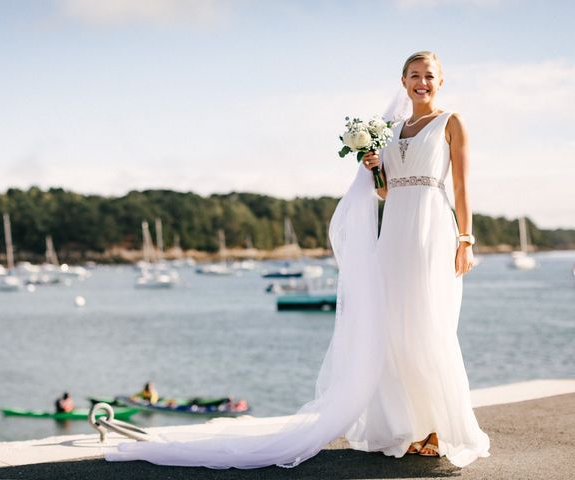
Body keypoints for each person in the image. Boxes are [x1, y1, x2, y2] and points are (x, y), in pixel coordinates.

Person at [106, 51, 490, 469]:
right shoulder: (392, 130)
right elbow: (385, 193)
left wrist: (466, 240)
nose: (422, 82)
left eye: (429, 76)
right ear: (402, 81)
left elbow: (461, 185)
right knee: (394, 328)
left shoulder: (451, 123)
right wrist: (375, 168)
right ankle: (411, 427)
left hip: (431, 229)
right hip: (394, 230)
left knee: (427, 324)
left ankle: (438, 427)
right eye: (414, 75)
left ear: (441, 81)